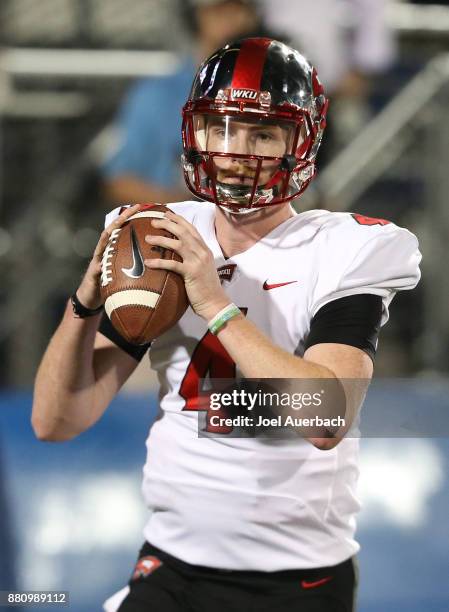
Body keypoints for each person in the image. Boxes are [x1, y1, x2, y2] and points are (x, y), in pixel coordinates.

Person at [32, 38, 421, 612]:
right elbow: (55, 421)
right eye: (221, 128)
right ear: (196, 134)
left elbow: (325, 416)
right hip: (170, 564)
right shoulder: (160, 233)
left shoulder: (346, 247)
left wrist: (215, 306)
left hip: (298, 579)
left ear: (301, 141)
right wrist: (84, 304)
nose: (237, 151)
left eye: (262, 133)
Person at [101, 0, 276, 207]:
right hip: (176, 227)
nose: (230, 20)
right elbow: (119, 181)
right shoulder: (158, 94)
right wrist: (192, 210)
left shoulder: (274, 92)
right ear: (194, 16)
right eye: (218, 11)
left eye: (239, 9)